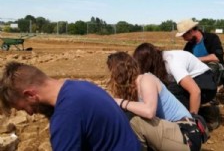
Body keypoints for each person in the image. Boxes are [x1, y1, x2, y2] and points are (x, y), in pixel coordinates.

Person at [0, 61, 141, 151]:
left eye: (24, 108)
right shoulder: (80, 86)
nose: (30, 114)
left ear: (30, 95)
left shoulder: (66, 116)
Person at [107, 51, 209, 151]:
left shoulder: (145, 79)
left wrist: (121, 102)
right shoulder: (132, 89)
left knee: (134, 121)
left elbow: (149, 112)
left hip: (186, 135)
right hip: (171, 135)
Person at [133, 42, 220, 131]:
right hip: (198, 82)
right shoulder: (159, 61)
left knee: (171, 93)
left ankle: (207, 115)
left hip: (207, 85)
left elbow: (195, 91)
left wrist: (191, 122)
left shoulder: (173, 63)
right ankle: (200, 112)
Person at [175, 18, 224, 91]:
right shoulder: (189, 46)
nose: (184, 39)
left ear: (191, 31)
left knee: (212, 66)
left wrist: (195, 60)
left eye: (184, 35)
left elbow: (217, 57)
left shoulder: (212, 38)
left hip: (215, 73)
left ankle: (211, 93)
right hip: (198, 74)